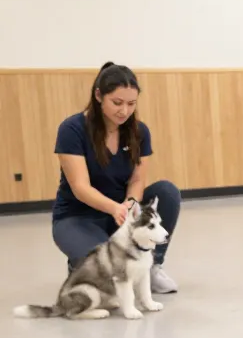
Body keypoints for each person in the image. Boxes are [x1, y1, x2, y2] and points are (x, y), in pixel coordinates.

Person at [51, 62, 181, 293]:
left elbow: (137, 179)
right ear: (99, 95)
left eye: (131, 104)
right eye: (117, 103)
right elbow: (80, 187)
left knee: (167, 191)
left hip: (120, 213)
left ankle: (151, 267)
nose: (124, 111)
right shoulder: (72, 129)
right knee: (108, 279)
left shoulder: (139, 132)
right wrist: (115, 208)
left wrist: (130, 203)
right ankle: (77, 263)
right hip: (79, 217)